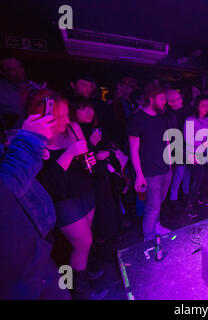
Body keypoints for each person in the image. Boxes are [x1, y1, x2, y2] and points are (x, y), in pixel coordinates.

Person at [28, 89, 107, 299]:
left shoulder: (73, 128)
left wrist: (89, 159)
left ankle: (83, 278)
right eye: (58, 117)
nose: (65, 120)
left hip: (84, 190)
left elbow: (86, 157)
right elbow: (49, 181)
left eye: (65, 114)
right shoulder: (39, 139)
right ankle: (79, 292)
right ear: (44, 117)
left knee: (83, 244)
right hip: (64, 200)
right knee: (83, 243)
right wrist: (70, 153)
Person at [0, 114, 71, 299]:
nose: (65, 119)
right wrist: (29, 145)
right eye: (59, 115)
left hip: (35, 235)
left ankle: (75, 290)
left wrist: (10, 151)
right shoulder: (32, 138)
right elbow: (4, 193)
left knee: (63, 272)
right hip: (13, 269)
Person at [70, 97, 127, 243]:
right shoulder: (72, 131)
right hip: (90, 178)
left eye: (90, 108)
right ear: (73, 111)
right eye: (83, 108)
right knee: (100, 206)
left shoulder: (95, 128)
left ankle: (115, 230)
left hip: (104, 173)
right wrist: (94, 149)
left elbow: (107, 145)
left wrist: (107, 152)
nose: (89, 112)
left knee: (111, 200)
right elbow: (80, 158)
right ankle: (104, 237)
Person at [128, 83, 172, 241]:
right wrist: (139, 175)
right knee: (152, 206)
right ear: (151, 99)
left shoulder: (162, 118)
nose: (164, 102)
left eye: (165, 98)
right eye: (161, 99)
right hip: (149, 172)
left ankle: (156, 226)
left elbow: (166, 139)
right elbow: (133, 150)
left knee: (159, 203)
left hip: (165, 169)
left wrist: (170, 162)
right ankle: (148, 237)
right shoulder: (136, 119)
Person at [184, 95, 208, 217]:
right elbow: (188, 139)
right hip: (195, 152)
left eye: (207, 105)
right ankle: (190, 204)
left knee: (205, 177)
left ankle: (202, 198)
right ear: (197, 105)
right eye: (203, 105)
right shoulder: (190, 120)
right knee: (197, 179)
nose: (206, 108)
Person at [0, 56, 33, 139]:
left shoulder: (34, 87)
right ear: (1, 71)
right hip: (13, 139)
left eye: (19, 67)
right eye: (11, 69)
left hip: (36, 136)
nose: (18, 72)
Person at [165, 89, 191, 206]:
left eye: (180, 97)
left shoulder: (186, 110)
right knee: (179, 173)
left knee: (187, 172)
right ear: (170, 103)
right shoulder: (168, 115)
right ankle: (173, 198)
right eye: (177, 99)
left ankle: (185, 194)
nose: (181, 100)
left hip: (188, 146)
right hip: (177, 147)